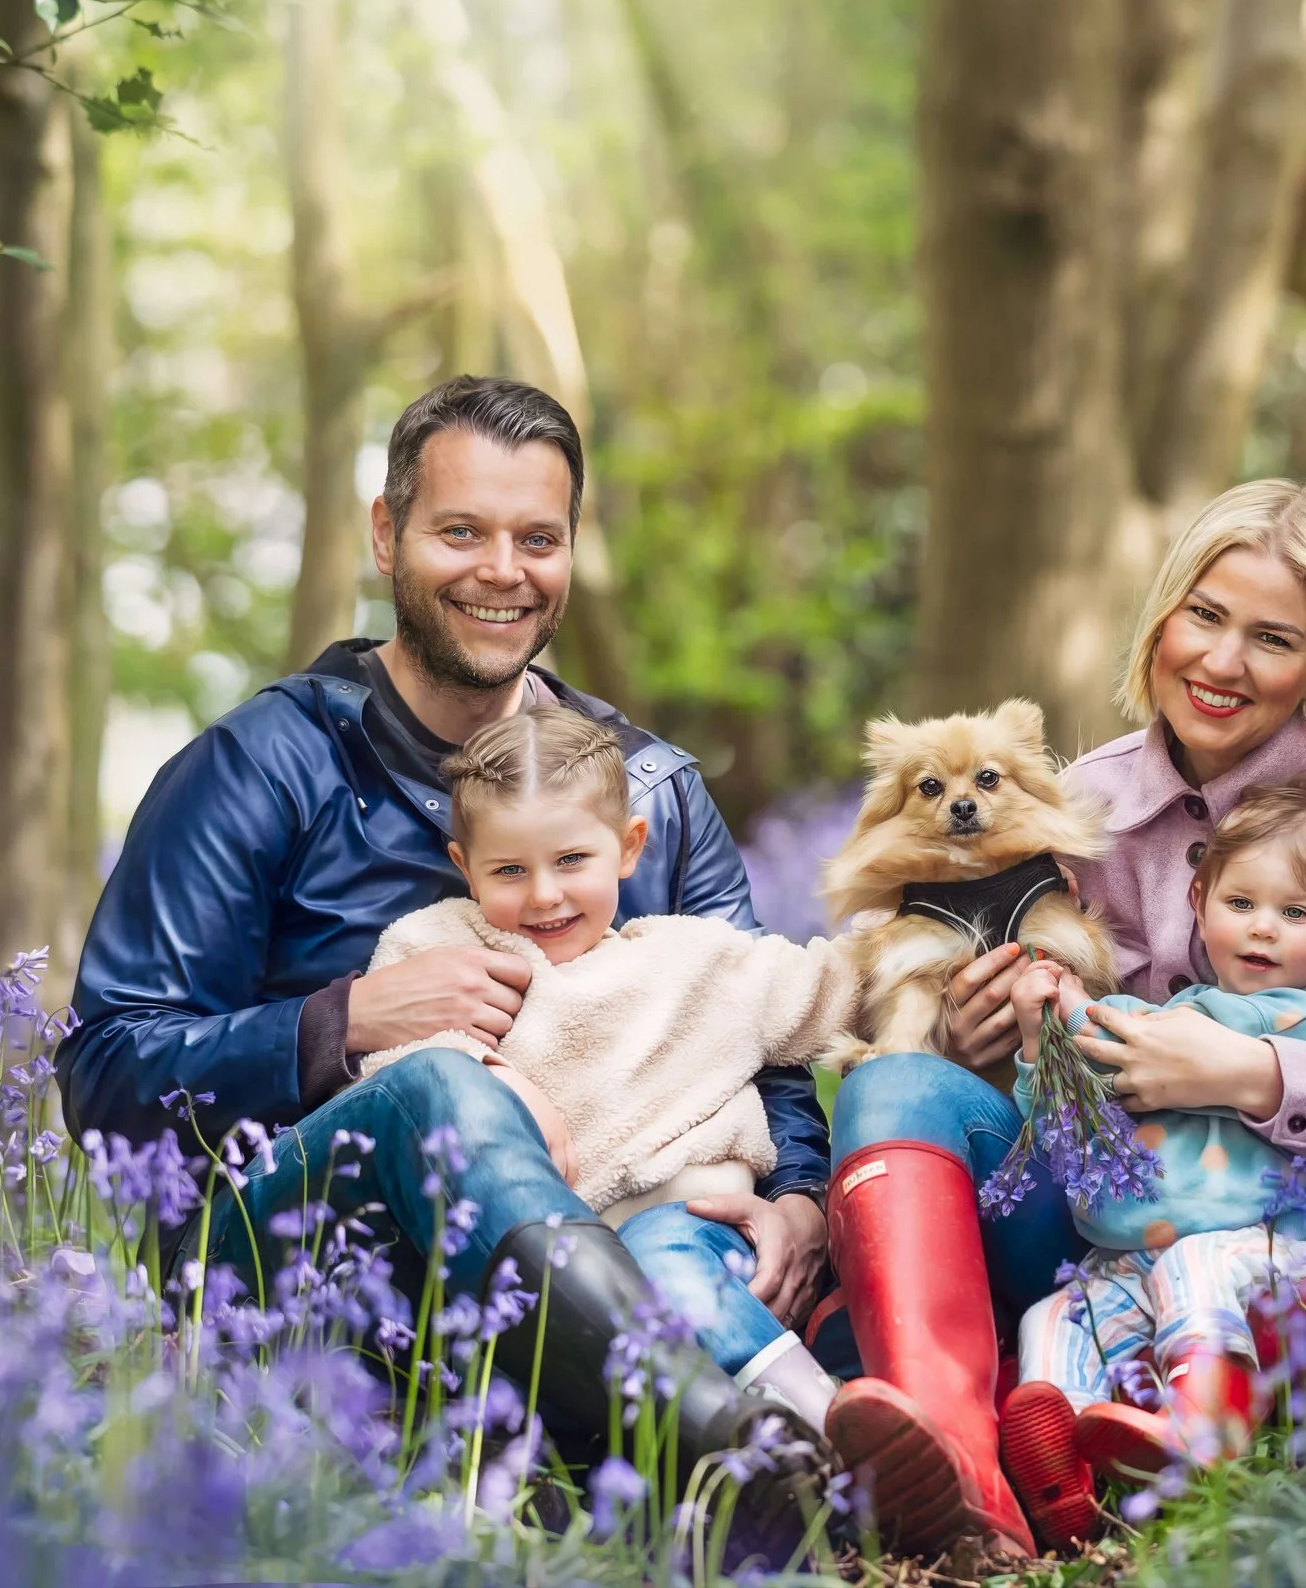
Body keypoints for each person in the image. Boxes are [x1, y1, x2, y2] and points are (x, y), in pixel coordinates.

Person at [55, 376, 833, 1505]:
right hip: (304, 1270)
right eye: (460, 530)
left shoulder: (650, 789)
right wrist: (344, 1023)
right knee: (437, 1092)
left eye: (537, 538)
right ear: (387, 533)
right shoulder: (259, 767)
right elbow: (106, 1065)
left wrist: (800, 1199)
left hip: (626, 1239)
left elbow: (768, 1038)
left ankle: (709, 1449)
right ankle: (724, 1445)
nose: (501, 570)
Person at [822, 479, 1306, 1556]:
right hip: (1109, 1229)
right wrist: (985, 1044)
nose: (1220, 660)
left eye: (1271, 637)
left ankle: (1208, 1418)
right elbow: (1016, 1036)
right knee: (890, 1085)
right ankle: (959, 1454)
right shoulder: (1074, 804)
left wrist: (1253, 1073)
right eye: (1202, 616)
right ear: (1161, 617)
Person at [350, 707, 855, 1431]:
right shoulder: (441, 948)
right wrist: (491, 1071)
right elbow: (396, 1073)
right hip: (555, 1275)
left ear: (628, 846)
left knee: (667, 1263)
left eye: (572, 861)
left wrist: (946, 952)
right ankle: (785, 1437)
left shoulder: (692, 958)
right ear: (464, 865)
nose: (544, 894)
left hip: (702, 1227)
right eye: (510, 870)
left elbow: (830, 989)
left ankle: (830, 1429)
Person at [995, 773, 1306, 1548]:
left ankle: (1203, 1435)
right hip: (1124, 1259)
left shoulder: (1304, 1015)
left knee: (1192, 1270)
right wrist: (1044, 1037)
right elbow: (1070, 1118)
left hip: (1258, 1253)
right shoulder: (1165, 1019)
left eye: (1295, 912)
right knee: (1059, 1315)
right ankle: (1061, 1470)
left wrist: (1093, 1015)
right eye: (1241, 904)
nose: (1263, 928)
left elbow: (1187, 1030)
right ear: (1198, 903)